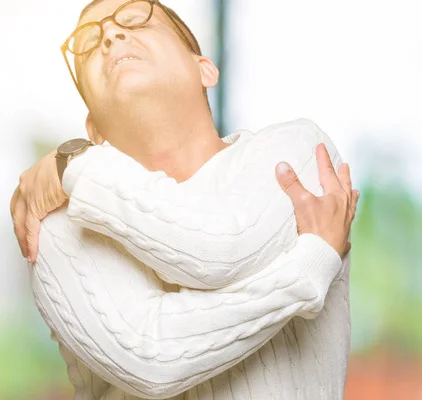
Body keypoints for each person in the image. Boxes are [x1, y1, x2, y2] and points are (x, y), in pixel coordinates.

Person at [10, 0, 358, 399]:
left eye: (135, 20)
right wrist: (305, 272)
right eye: (88, 44)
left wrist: (73, 164)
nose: (109, 36)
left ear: (203, 69)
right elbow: (152, 361)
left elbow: (223, 251)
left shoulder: (296, 151)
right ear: (94, 129)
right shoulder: (54, 227)